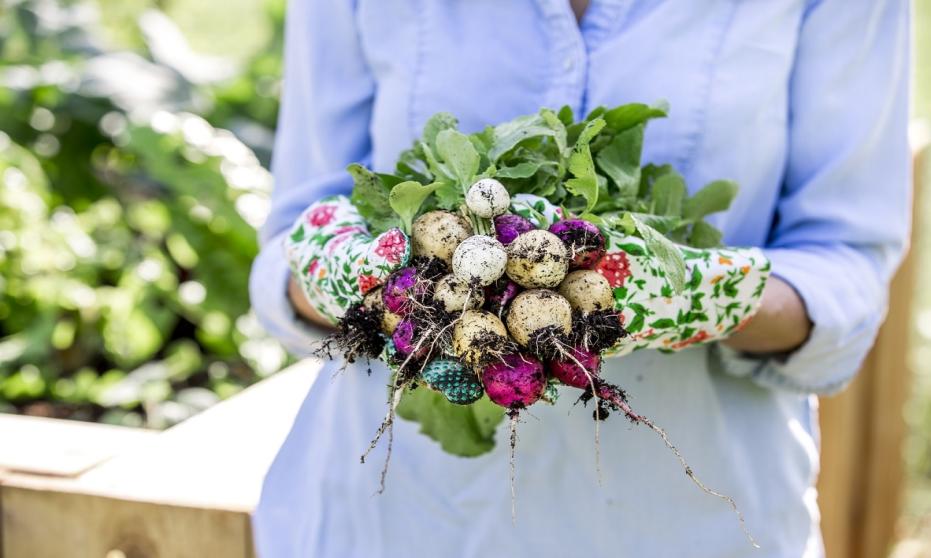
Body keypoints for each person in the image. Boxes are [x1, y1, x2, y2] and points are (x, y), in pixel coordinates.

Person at [249, 0, 911, 556]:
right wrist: (363, 284)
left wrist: (700, 297)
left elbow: (844, 265)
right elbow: (292, 239)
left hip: (690, 523)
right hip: (389, 518)